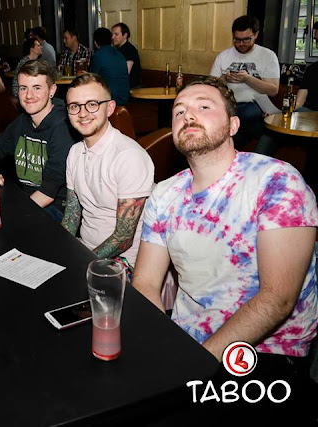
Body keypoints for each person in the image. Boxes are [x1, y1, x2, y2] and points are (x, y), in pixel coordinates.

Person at [132, 77, 317, 416]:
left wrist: (196, 364)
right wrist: (164, 346)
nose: (188, 115)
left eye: (204, 106)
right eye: (179, 111)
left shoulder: (276, 181)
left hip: (266, 349)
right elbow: (145, 281)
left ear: (233, 125)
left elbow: (277, 298)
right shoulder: (164, 194)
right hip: (187, 338)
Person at [62, 73, 153, 269]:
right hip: (85, 249)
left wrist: (80, 262)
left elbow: (124, 238)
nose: (83, 113)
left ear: (110, 108)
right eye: (75, 106)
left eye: (92, 104)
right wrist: (60, 251)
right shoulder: (75, 152)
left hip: (123, 262)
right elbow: (72, 214)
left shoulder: (128, 156)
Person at [0, 59, 80, 221]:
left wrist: (12, 215)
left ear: (52, 90)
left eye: (37, 88)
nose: (29, 95)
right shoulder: (21, 122)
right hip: (28, 199)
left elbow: (48, 194)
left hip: (57, 209)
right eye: (23, 88)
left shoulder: (63, 127)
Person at [210, 15, 279, 150]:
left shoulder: (268, 55)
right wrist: (224, 79)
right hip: (229, 105)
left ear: (256, 34)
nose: (241, 44)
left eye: (246, 39)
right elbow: (210, 86)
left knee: (249, 116)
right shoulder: (223, 56)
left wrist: (248, 79)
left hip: (255, 106)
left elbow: (273, 90)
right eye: (237, 40)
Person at [90, 27, 130, 106]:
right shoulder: (120, 55)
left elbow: (93, 79)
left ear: (95, 43)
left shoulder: (98, 56)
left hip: (109, 99)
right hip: (124, 98)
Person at [111, 23, 142, 89]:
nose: (112, 37)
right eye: (112, 34)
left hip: (131, 88)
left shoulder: (129, 50)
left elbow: (125, 73)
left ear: (125, 35)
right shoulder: (117, 49)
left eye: (116, 34)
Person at [296, 22, 318, 112]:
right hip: (308, 115)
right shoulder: (311, 70)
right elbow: (299, 103)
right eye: (316, 41)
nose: (317, 45)